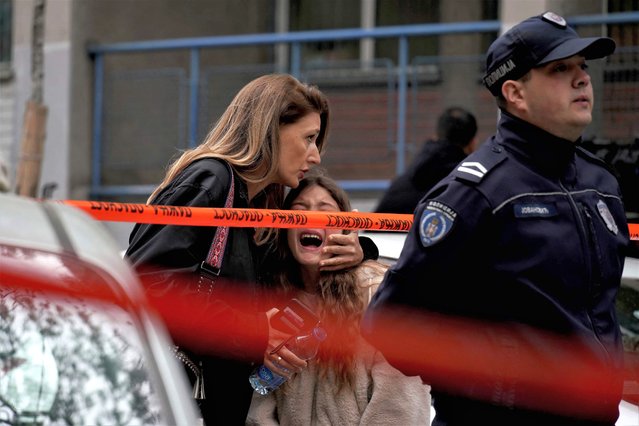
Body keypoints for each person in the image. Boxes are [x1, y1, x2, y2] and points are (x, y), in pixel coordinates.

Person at [362, 11, 630, 426]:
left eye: (583, 67)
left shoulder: (601, 184)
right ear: (515, 93)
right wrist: (499, 387)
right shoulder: (476, 193)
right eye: (560, 69)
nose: (582, 79)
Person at [125, 74, 367, 425]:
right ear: (271, 130)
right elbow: (148, 287)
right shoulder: (212, 180)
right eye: (309, 139)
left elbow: (289, 262)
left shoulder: (260, 201)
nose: (315, 156)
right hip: (174, 403)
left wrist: (361, 251)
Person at [247, 168, 431, 425]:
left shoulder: (375, 293)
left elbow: (401, 402)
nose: (312, 218)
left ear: (346, 228)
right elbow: (259, 405)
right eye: (300, 211)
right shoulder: (272, 300)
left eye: (325, 211)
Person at [375, 106, 478, 214]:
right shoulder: (463, 180)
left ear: (436, 136)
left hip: (375, 227)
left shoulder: (420, 163)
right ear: (472, 143)